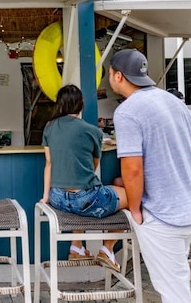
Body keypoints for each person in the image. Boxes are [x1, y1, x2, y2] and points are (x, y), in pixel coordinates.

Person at [108, 49, 191, 302]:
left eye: (109, 73)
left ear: (118, 75)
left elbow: (132, 168)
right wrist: (182, 173)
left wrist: (135, 208)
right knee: (178, 277)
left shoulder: (127, 111)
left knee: (173, 292)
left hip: (165, 216)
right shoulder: (171, 99)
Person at [40, 84, 128, 271]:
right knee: (130, 194)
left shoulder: (49, 127)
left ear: (60, 104)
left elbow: (49, 163)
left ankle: (77, 246)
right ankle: (107, 248)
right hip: (85, 200)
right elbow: (94, 165)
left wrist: (46, 196)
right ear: (80, 105)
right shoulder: (93, 131)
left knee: (78, 200)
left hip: (57, 198)